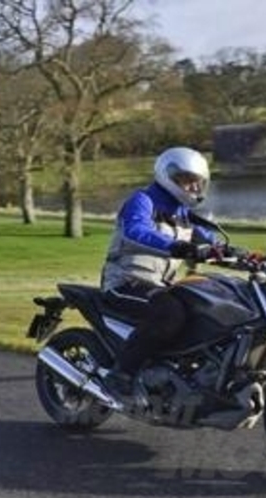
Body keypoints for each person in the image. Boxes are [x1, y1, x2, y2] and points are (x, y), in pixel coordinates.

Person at [99, 146, 240, 398]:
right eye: (187, 181)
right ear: (169, 176)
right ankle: (121, 373)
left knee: (209, 306)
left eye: (198, 182)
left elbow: (210, 242)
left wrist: (243, 256)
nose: (194, 188)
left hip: (160, 286)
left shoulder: (183, 214)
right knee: (170, 312)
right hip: (125, 282)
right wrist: (177, 247)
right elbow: (136, 232)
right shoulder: (143, 201)